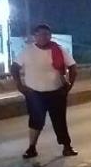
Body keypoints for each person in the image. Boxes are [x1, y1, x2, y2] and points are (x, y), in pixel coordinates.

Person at [11, 23, 78, 159]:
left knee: (59, 121)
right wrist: (19, 85)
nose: (44, 37)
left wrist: (69, 85)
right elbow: (14, 67)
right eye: (40, 34)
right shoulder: (28, 51)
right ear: (35, 36)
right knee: (36, 121)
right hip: (34, 93)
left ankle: (67, 146)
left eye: (47, 34)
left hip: (56, 92)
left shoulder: (59, 49)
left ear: (50, 36)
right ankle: (32, 148)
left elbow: (73, 67)